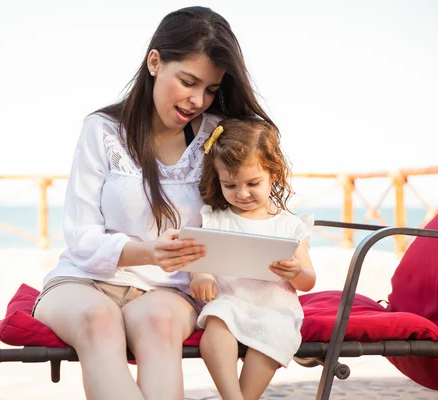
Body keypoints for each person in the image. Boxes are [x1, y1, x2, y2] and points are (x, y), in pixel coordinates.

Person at [32, 6, 278, 400]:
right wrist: (148, 252)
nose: (198, 99)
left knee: (160, 325)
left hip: (172, 293)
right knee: (99, 322)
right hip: (85, 282)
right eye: (188, 81)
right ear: (154, 62)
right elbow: (80, 237)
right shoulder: (102, 131)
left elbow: (252, 204)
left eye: (211, 89)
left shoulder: (218, 137)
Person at [190, 117, 316, 400]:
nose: (242, 193)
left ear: (273, 174)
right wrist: (202, 275)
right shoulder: (216, 219)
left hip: (275, 306)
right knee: (217, 322)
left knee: (274, 335)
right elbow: (199, 260)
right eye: (230, 185)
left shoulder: (289, 226)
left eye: (253, 183)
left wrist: (295, 272)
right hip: (231, 300)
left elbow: (308, 281)